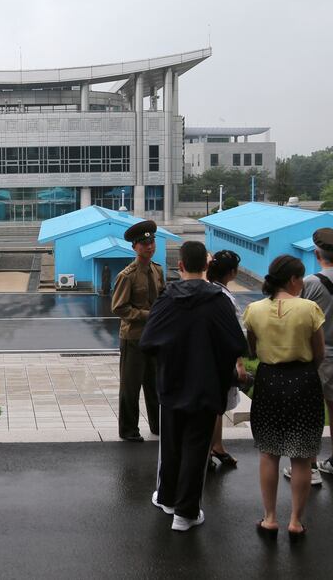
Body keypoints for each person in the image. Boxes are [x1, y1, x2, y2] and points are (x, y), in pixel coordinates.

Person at [140, 241, 246, 531]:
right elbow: (237, 343)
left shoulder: (167, 298)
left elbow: (148, 341)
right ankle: (185, 513)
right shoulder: (219, 300)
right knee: (196, 448)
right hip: (207, 383)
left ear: (180, 266)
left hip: (172, 382)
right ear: (207, 266)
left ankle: (167, 498)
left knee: (171, 445)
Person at [243, 255, 325, 540]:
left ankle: (269, 518)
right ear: (292, 279)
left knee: (269, 452)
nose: (302, 283)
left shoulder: (253, 310)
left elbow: (252, 350)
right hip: (303, 380)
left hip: (269, 381)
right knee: (302, 456)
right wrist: (304, 370)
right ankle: (296, 522)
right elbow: (320, 353)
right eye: (301, 278)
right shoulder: (309, 309)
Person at [285, 229, 333, 484]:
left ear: (316, 253)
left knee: (309, 408)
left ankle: (310, 465)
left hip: (313, 355)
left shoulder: (310, 282)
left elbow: (297, 314)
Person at [111, 220, 165, 442]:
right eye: (144, 244)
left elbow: (162, 298)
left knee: (155, 387)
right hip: (133, 337)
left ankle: (158, 425)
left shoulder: (157, 270)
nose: (149, 246)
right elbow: (119, 307)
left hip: (155, 338)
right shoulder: (128, 275)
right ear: (134, 247)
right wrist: (147, 315)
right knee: (130, 388)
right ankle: (129, 430)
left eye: (152, 241)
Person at [205, 250, 249, 470]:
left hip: (204, 357)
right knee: (215, 406)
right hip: (219, 360)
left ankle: (217, 446)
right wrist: (239, 364)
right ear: (232, 273)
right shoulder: (224, 298)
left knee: (216, 407)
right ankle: (212, 449)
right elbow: (235, 333)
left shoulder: (206, 290)